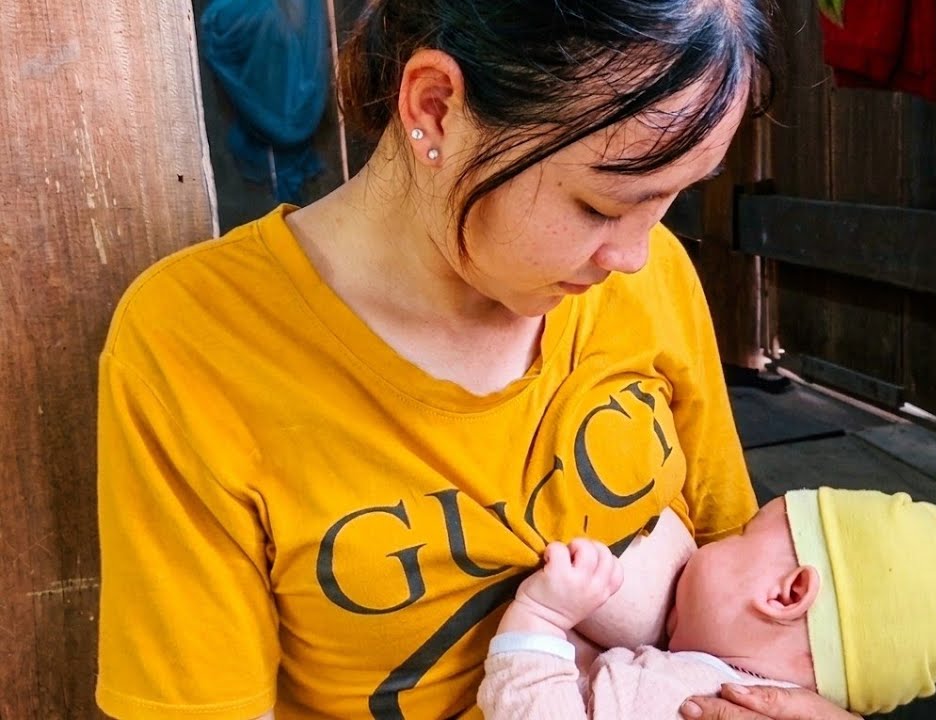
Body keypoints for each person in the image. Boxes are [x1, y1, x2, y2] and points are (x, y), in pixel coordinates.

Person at [93, 1, 863, 719]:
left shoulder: (651, 273)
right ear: (435, 107)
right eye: (601, 204)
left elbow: (737, 581)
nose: (634, 253)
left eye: (670, 199)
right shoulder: (199, 338)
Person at [477, 488, 936, 719]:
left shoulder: (687, 699)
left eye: (741, 535)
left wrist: (539, 621)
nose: (710, 541)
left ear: (785, 595)